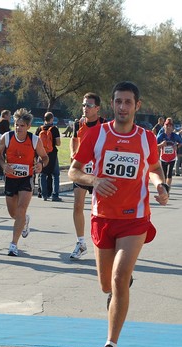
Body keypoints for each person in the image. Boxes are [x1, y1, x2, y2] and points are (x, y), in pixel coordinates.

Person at [68, 81, 169, 347]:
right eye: (118, 101)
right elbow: (75, 170)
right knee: (105, 285)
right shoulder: (97, 134)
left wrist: (160, 184)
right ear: (112, 104)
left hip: (135, 218)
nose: (122, 107)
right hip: (103, 217)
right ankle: (117, 288)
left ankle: (110, 346)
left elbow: (153, 168)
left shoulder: (147, 138)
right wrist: (94, 180)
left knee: (120, 276)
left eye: (128, 102)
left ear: (137, 105)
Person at [0, 108, 49, 257]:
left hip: (26, 179)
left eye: (22, 125)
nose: (18, 128)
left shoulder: (34, 140)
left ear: (28, 127)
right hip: (11, 179)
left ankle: (13, 245)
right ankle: (24, 221)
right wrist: (4, 165)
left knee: (21, 209)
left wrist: (41, 165)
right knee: (13, 213)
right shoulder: (7, 137)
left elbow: (44, 157)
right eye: (16, 124)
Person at [69, 92, 105, 260]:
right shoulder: (79, 124)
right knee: (78, 206)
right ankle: (81, 243)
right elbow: (74, 139)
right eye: (84, 105)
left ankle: (105, 243)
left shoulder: (105, 125)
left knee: (101, 210)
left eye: (89, 105)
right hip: (83, 171)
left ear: (97, 108)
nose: (85, 108)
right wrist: (72, 153)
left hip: (100, 172)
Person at [35, 112, 62, 201]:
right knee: (55, 174)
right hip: (52, 154)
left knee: (42, 174)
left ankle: (44, 195)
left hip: (42, 153)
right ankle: (55, 195)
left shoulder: (39, 129)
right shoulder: (54, 129)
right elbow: (58, 143)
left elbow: (35, 142)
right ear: (52, 119)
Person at [156, 117, 182, 188]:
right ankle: (164, 187)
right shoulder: (161, 136)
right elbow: (155, 145)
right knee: (164, 174)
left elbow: (180, 143)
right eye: (167, 126)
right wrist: (161, 144)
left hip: (172, 157)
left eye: (170, 126)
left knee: (169, 173)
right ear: (164, 126)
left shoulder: (175, 136)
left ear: (172, 127)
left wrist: (176, 146)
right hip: (163, 157)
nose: (168, 127)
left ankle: (167, 189)